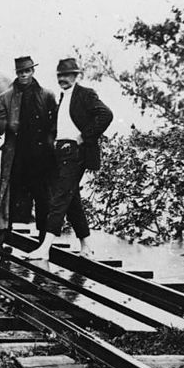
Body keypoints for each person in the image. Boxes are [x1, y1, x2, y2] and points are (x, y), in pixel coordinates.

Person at [27, 58, 113, 261]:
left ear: (75, 76)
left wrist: (84, 136)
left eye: (66, 75)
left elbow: (106, 114)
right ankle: (86, 246)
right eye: (59, 76)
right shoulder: (63, 97)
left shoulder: (85, 94)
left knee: (60, 197)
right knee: (71, 199)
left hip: (75, 152)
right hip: (61, 151)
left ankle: (45, 248)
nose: (62, 79)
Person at [0, 56, 58, 242]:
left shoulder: (46, 95)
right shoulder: (6, 97)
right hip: (16, 154)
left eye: (27, 71)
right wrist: (7, 124)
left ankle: (44, 237)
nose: (24, 75)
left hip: (40, 155)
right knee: (11, 195)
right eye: (20, 72)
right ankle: (6, 235)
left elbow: (55, 123)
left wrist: (50, 141)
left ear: (33, 71)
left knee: (42, 195)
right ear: (16, 73)